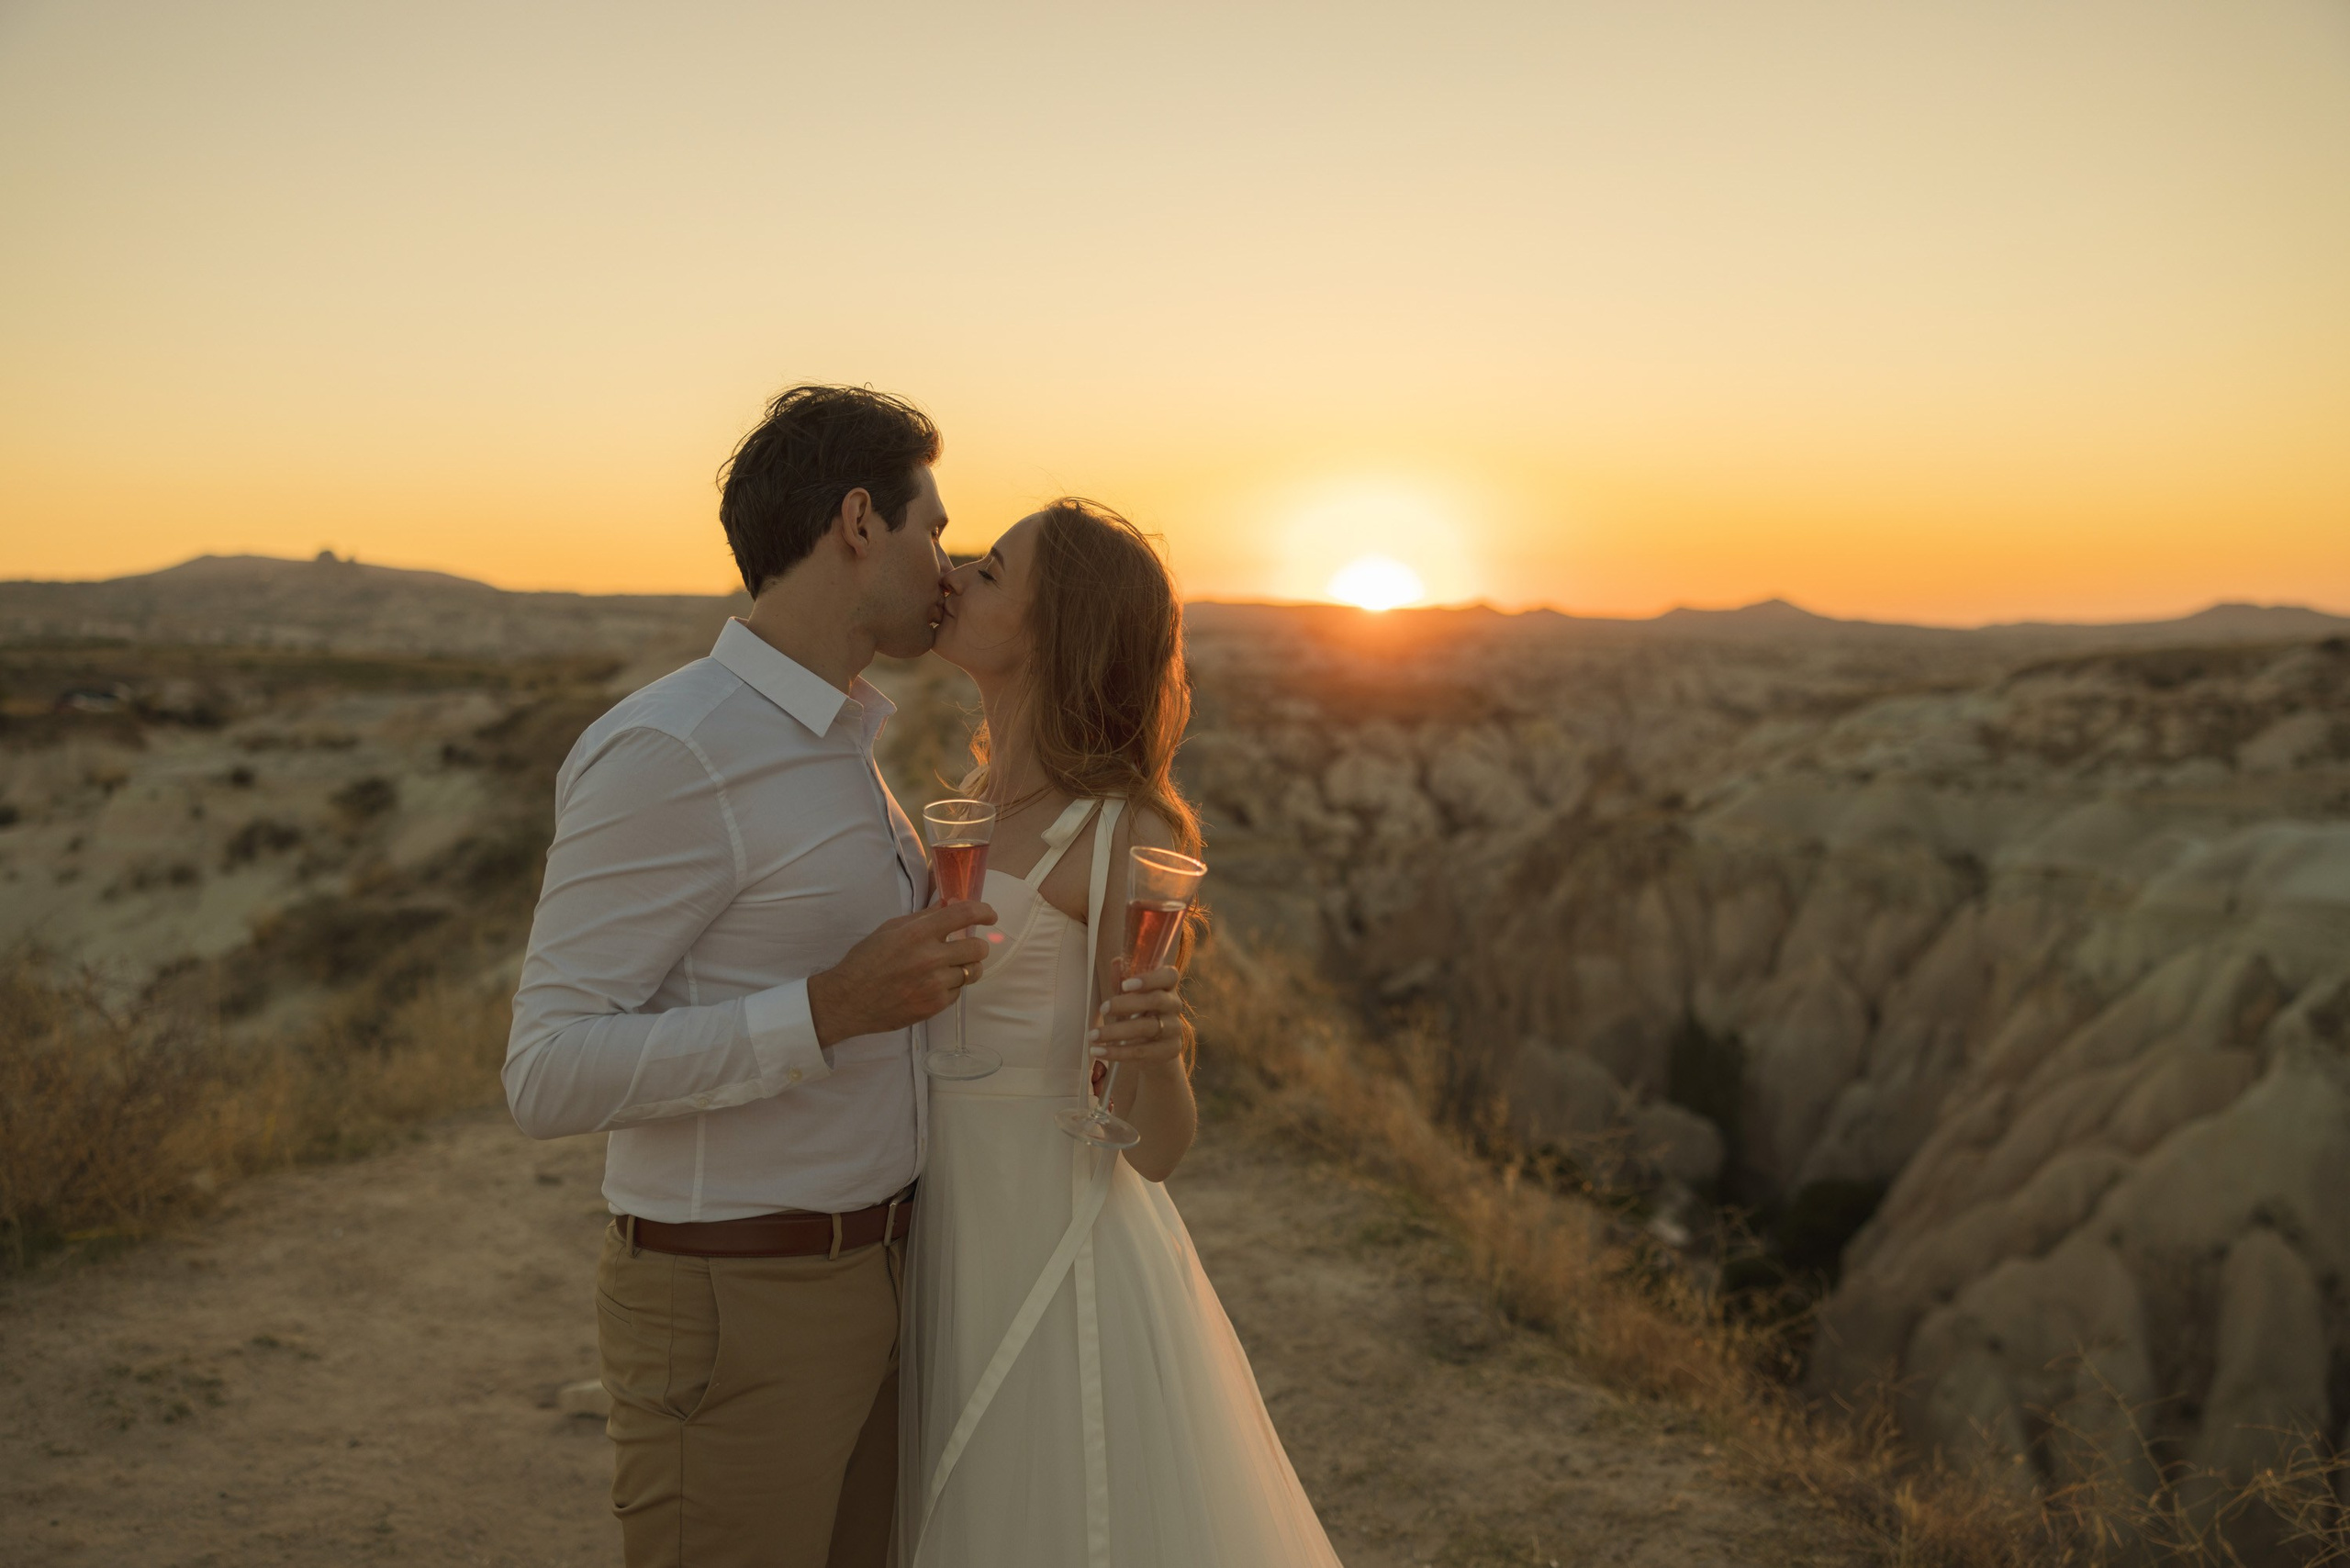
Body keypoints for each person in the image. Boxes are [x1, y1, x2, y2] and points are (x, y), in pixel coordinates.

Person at [503, 386, 1169, 1567]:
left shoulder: (843, 744)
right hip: (739, 1299)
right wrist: (825, 1010)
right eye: (937, 531)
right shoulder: (676, 746)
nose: (949, 566)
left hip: (894, 1288)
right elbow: (546, 1074)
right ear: (862, 522)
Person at [905, 498, 1342, 1566]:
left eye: (995, 571)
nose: (957, 575)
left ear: (1061, 633)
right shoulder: (968, 799)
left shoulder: (1123, 833)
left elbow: (1156, 1147)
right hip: (934, 1221)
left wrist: (1156, 1056)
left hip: (1046, 1241)